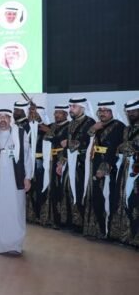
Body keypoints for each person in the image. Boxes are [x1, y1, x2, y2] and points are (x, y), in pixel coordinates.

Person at [0, 109, 33, 256]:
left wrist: (28, 177)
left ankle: (15, 245)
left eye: (6, 117)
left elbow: (27, 157)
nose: (2, 120)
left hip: (16, 181)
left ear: (10, 119)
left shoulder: (20, 134)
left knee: (15, 212)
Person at [82, 101, 126, 240]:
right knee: (95, 196)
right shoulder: (97, 125)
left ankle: (106, 230)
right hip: (94, 163)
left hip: (109, 166)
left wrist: (105, 167)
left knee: (106, 197)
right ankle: (95, 229)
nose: (102, 113)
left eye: (106, 110)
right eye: (100, 111)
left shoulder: (118, 126)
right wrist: (93, 129)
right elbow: (85, 141)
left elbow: (114, 148)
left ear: (112, 112)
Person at [60, 98, 96, 233]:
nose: (70, 109)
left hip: (82, 163)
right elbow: (66, 146)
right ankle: (68, 221)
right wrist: (61, 162)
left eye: (73, 106)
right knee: (66, 189)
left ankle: (80, 223)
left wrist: (69, 144)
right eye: (70, 106)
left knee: (79, 190)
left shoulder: (90, 122)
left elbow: (87, 142)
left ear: (82, 107)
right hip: (70, 163)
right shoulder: (71, 124)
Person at [108, 99, 139, 245]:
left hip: (136, 169)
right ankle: (121, 234)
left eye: (134, 111)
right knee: (120, 199)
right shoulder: (126, 129)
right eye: (129, 112)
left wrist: (132, 146)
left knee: (134, 201)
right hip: (125, 167)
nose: (131, 114)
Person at [39, 105, 70, 229]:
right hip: (49, 160)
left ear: (66, 114)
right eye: (55, 113)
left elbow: (63, 142)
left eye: (59, 113)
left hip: (61, 161)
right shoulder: (51, 125)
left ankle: (59, 220)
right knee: (48, 189)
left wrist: (50, 132)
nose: (56, 115)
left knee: (58, 190)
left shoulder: (69, 126)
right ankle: (47, 218)